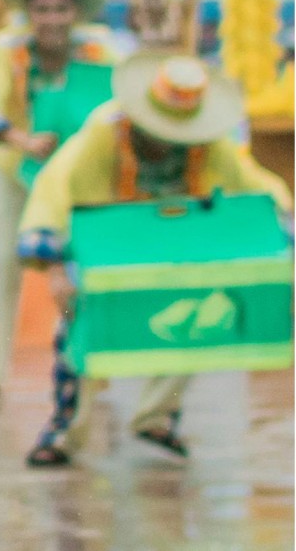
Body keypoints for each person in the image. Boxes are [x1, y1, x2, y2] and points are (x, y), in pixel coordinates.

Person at [16, 53, 289, 467]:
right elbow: (56, 189)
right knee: (81, 330)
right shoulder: (104, 133)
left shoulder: (210, 139)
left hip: (170, 244)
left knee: (193, 319)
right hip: (102, 241)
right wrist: (54, 266)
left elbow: (256, 186)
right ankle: (64, 433)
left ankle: (157, 416)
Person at [0, 0, 129, 402]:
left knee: (89, 264)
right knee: (5, 262)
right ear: (28, 12)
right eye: (42, 9)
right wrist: (24, 141)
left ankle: (97, 368)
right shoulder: (5, 49)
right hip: (14, 169)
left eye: (61, 9)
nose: (51, 19)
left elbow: (123, 101)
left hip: (76, 173)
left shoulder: (99, 49)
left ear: (75, 12)